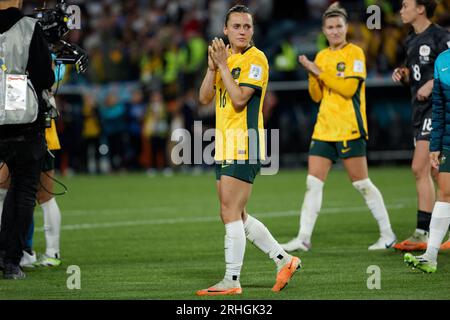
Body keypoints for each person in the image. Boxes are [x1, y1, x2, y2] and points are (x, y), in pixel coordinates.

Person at [196, 5, 300, 296]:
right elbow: (204, 98)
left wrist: (225, 67)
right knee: (235, 213)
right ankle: (285, 260)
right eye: (237, 26)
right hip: (225, 143)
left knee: (230, 212)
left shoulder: (257, 60)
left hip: (247, 143)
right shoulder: (224, 59)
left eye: (247, 26)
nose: (243, 31)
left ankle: (232, 280)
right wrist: (212, 67)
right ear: (225, 30)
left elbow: (241, 99)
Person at [281, 2, 396, 252]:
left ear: (346, 28)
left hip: (349, 127)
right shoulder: (322, 56)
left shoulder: (355, 53)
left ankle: (387, 234)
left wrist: (318, 71)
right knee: (313, 182)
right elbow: (316, 96)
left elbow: (348, 89)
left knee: (361, 183)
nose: (334, 31)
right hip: (324, 128)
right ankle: (303, 238)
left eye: (338, 26)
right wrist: (312, 74)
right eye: (330, 27)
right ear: (323, 30)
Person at [0, 0, 55, 279]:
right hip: (22, 118)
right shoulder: (28, 28)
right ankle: (11, 261)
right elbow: (46, 76)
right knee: (22, 191)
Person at [392, 0, 450, 251]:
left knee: (419, 167)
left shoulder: (441, 36)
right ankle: (432, 232)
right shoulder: (410, 40)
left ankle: (422, 231)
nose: (401, 10)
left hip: (438, 111)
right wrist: (404, 75)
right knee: (437, 173)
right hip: (420, 112)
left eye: (405, 5)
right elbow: (416, 74)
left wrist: (433, 84)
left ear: (421, 9)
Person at [404, 48, 450, 273]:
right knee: (445, 192)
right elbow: (439, 108)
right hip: (448, 140)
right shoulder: (443, 60)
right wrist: (435, 145)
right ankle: (430, 256)